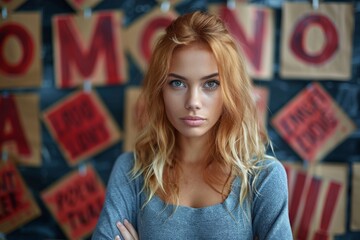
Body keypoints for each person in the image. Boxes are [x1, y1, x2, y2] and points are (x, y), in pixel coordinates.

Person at [92, 11, 293, 240]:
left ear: (230, 92)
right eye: (177, 83)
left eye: (211, 84)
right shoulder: (132, 170)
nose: (192, 102)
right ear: (161, 91)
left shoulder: (263, 177)